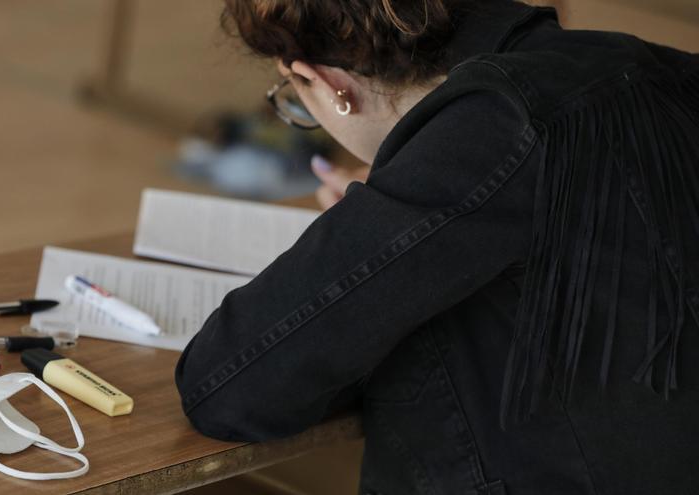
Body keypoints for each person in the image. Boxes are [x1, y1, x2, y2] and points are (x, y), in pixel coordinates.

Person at [175, 0, 699, 493]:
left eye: (294, 100)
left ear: (326, 83)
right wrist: (400, 196)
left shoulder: (495, 125)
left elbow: (225, 386)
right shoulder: (653, 66)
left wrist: (387, 208)